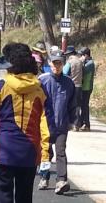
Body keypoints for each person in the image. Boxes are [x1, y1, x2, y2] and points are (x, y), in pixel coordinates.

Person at [0, 43, 53, 203]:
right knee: (24, 198)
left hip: (1, 152)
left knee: (2, 198)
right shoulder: (40, 90)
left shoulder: (1, 87)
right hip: (29, 153)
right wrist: (45, 153)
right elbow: (47, 125)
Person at [38, 50, 76, 194]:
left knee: (61, 151)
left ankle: (61, 180)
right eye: (54, 63)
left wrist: (72, 121)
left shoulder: (69, 82)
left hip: (62, 124)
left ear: (63, 64)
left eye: (59, 63)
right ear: (49, 63)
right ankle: (44, 177)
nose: (57, 66)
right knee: (46, 152)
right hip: (45, 125)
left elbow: (73, 104)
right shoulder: (42, 80)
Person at [63, 45, 83, 131]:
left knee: (70, 104)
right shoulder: (80, 61)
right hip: (79, 85)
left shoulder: (69, 62)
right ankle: (77, 124)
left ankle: (71, 123)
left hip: (71, 85)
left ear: (70, 54)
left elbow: (64, 72)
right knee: (78, 105)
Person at [79, 47, 95, 131]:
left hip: (87, 88)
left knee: (85, 106)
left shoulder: (90, 63)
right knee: (83, 106)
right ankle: (81, 123)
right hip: (84, 87)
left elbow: (82, 71)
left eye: (82, 55)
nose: (80, 56)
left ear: (86, 55)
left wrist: (80, 61)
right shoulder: (87, 62)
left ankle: (87, 124)